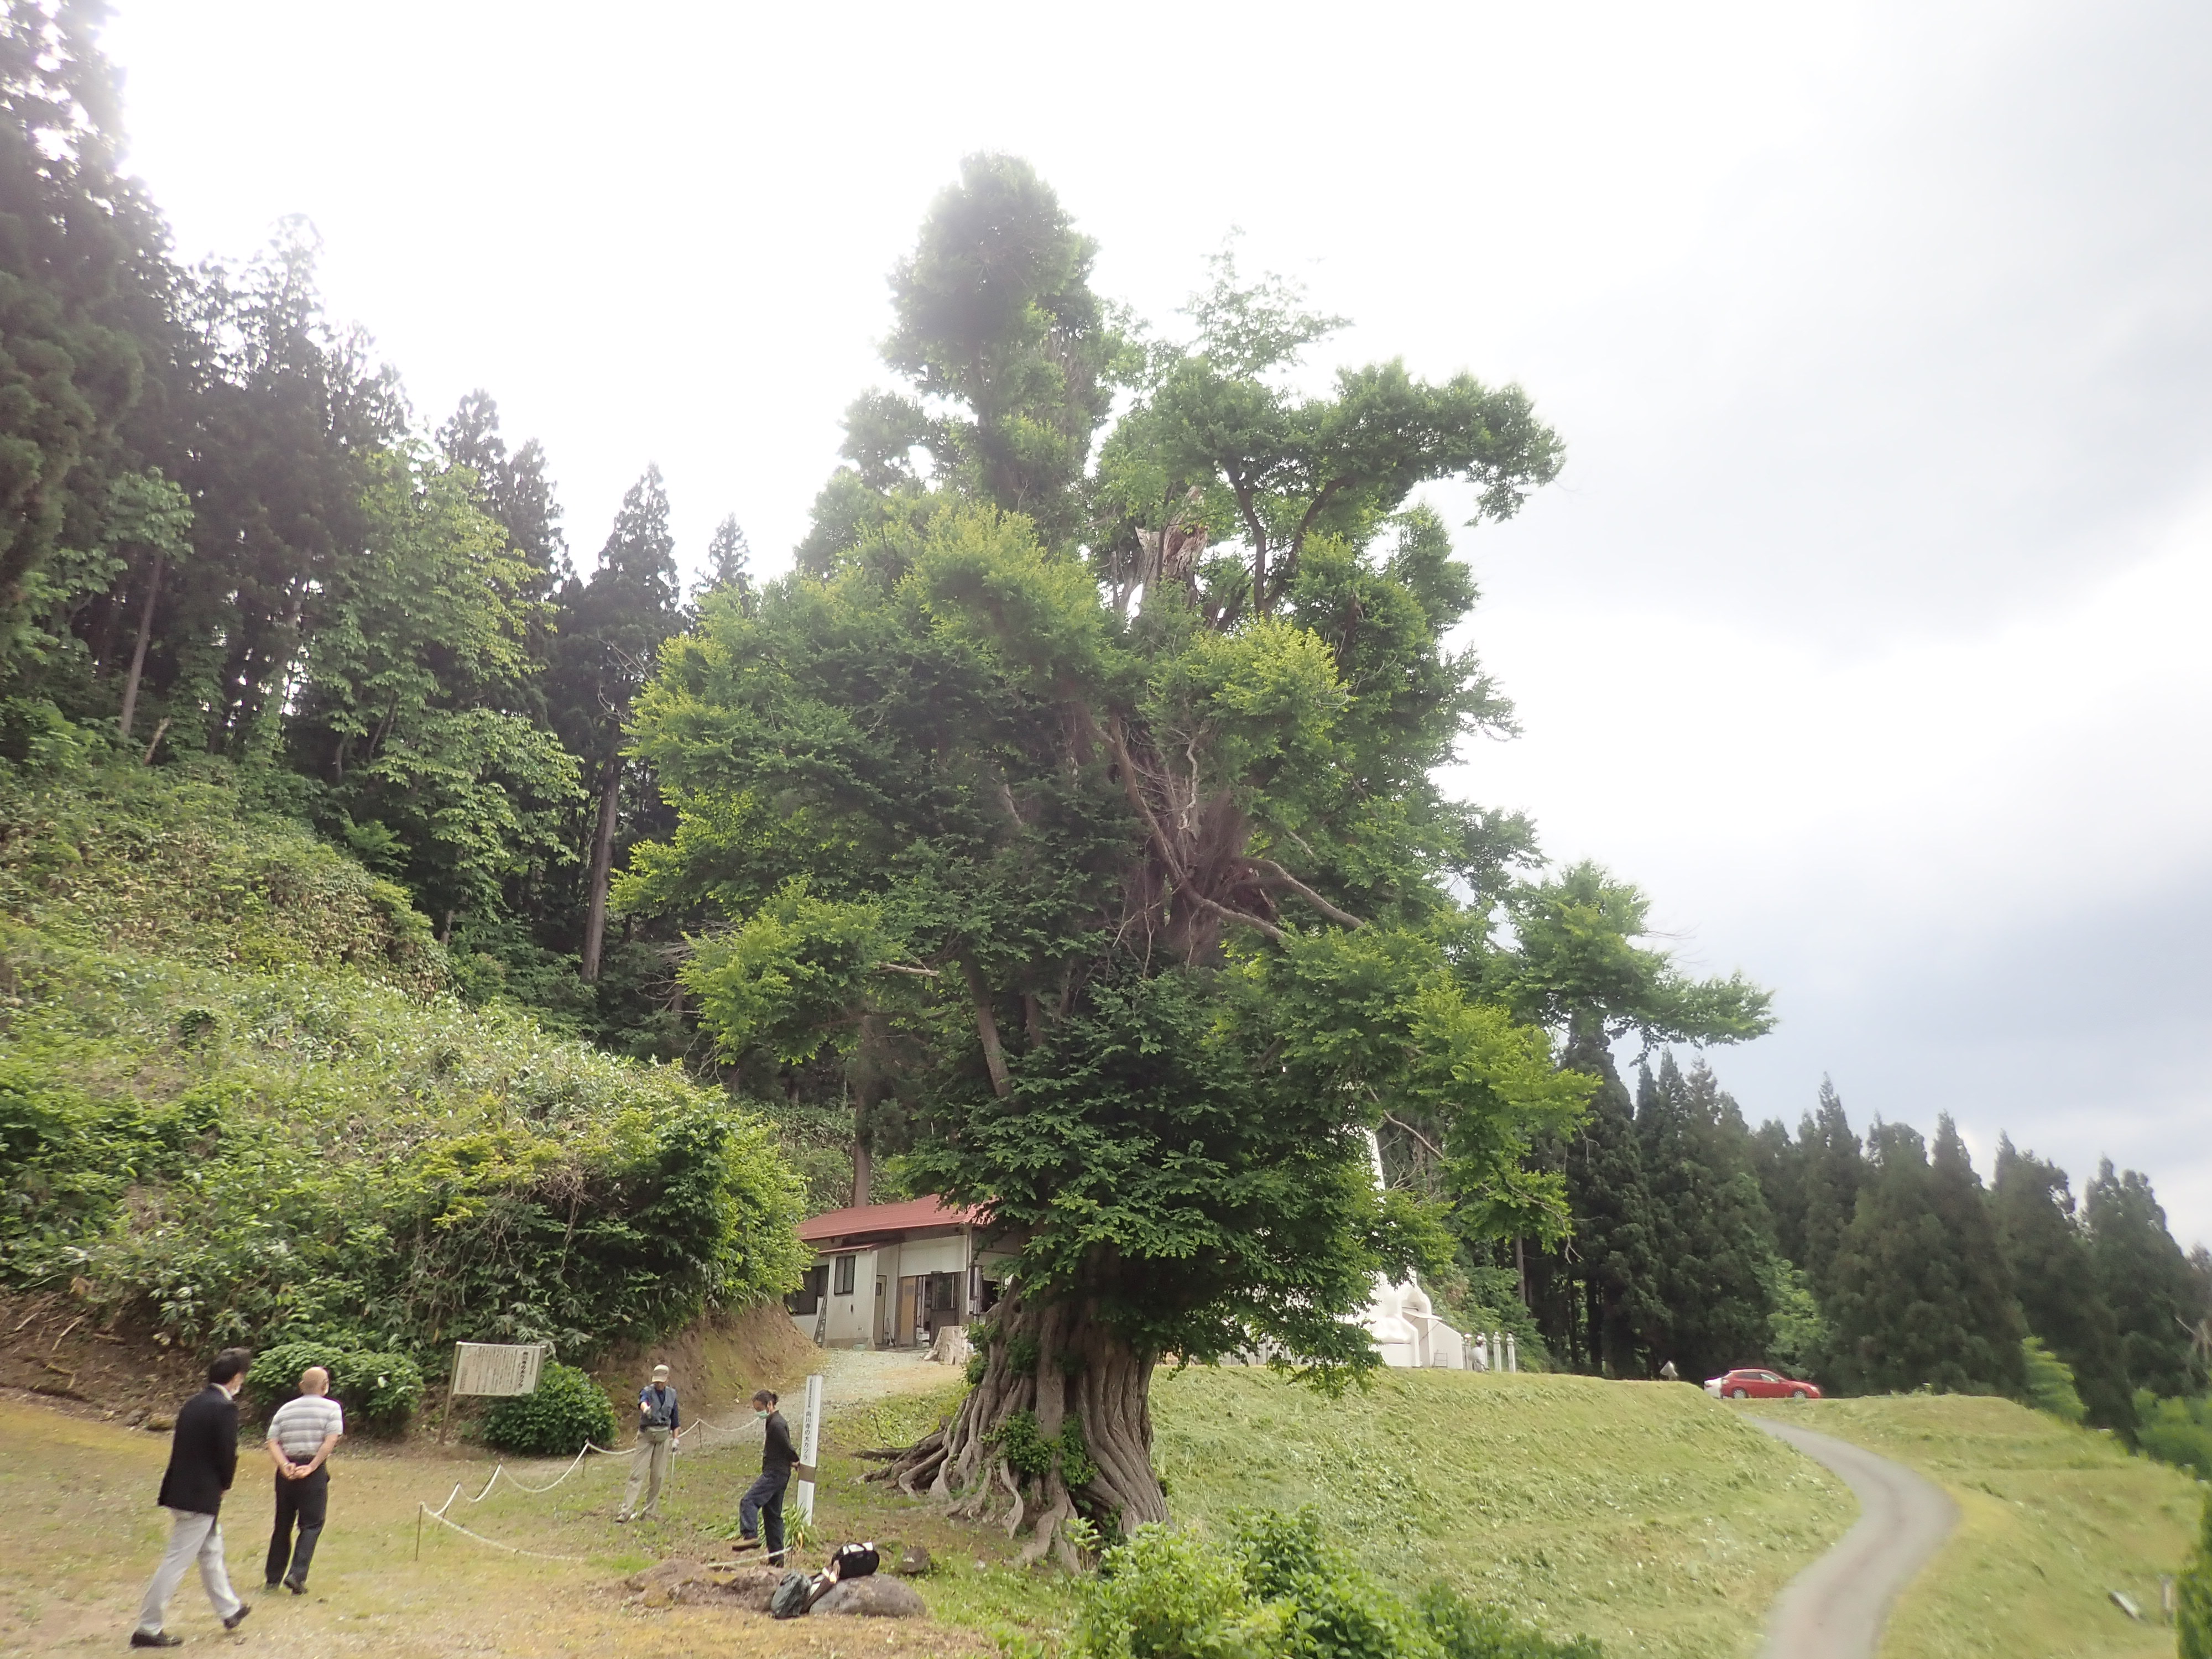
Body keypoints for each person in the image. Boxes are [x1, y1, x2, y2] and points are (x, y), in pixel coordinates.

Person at [132, 1347, 255, 1647]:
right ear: (237, 1378)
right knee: (177, 1560)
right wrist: (226, 1482)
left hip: (181, 1489)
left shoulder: (193, 1403)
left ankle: (230, 1609)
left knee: (212, 1550)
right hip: (200, 1494)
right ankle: (148, 1627)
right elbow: (226, 1452)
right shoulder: (224, 1408)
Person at [264, 1364, 345, 1593]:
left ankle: (273, 1577)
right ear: (325, 1386)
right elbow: (330, 1441)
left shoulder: (285, 1409)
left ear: (301, 1386)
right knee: (311, 1524)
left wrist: (284, 1465)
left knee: (283, 1524)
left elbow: (272, 1441)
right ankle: (297, 1574)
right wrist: (311, 1466)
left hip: (287, 1470)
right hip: (312, 1470)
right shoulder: (332, 1408)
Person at [732, 1387, 797, 1564]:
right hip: (781, 1473)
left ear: (770, 1405)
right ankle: (777, 1559)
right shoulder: (774, 1421)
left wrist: (795, 1459)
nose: (759, 1413)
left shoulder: (776, 1424)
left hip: (774, 1473)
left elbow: (786, 1445)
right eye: (756, 1410)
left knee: (749, 1501)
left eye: (760, 1409)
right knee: (773, 1516)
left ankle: (750, 1536)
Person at [615, 1361, 681, 1522]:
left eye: (662, 1381)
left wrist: (676, 1439)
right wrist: (646, 1409)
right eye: (656, 1380)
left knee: (657, 1477)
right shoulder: (647, 1391)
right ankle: (626, 1511)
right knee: (637, 1475)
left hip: (663, 1437)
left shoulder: (672, 1395)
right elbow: (642, 1402)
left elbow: (675, 1420)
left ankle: (650, 1512)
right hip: (646, 1436)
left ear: (667, 1379)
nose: (659, 1383)